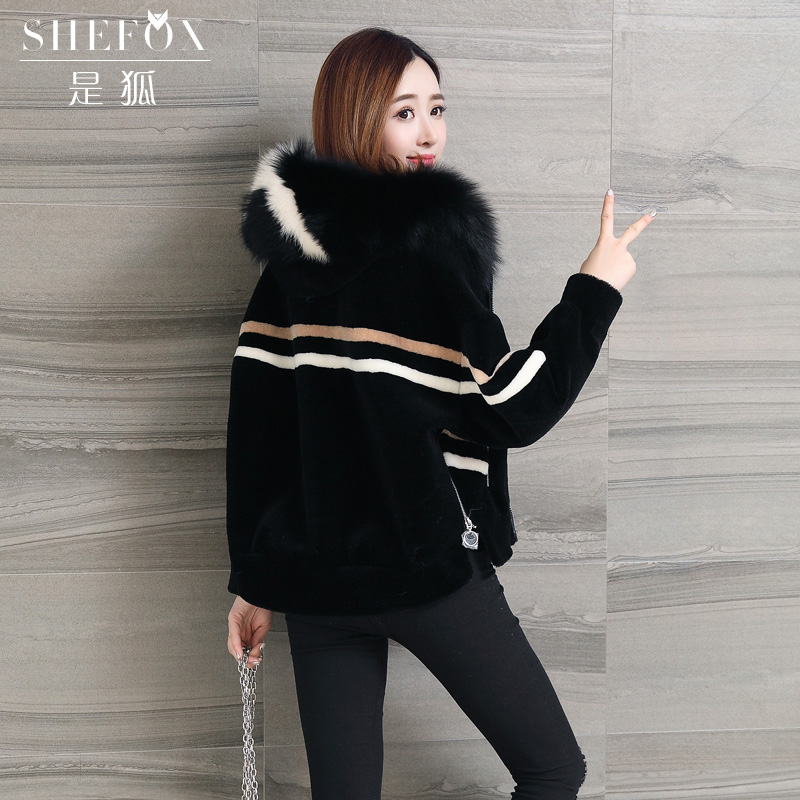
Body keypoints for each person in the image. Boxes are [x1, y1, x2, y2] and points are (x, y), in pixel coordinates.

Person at [225, 26, 655, 800]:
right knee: (554, 771)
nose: (428, 133)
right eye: (404, 113)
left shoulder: (283, 263)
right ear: (355, 117)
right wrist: (595, 290)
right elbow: (511, 409)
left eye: (436, 108)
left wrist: (254, 582)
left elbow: (259, 437)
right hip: (423, 566)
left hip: (317, 585)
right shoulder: (430, 249)